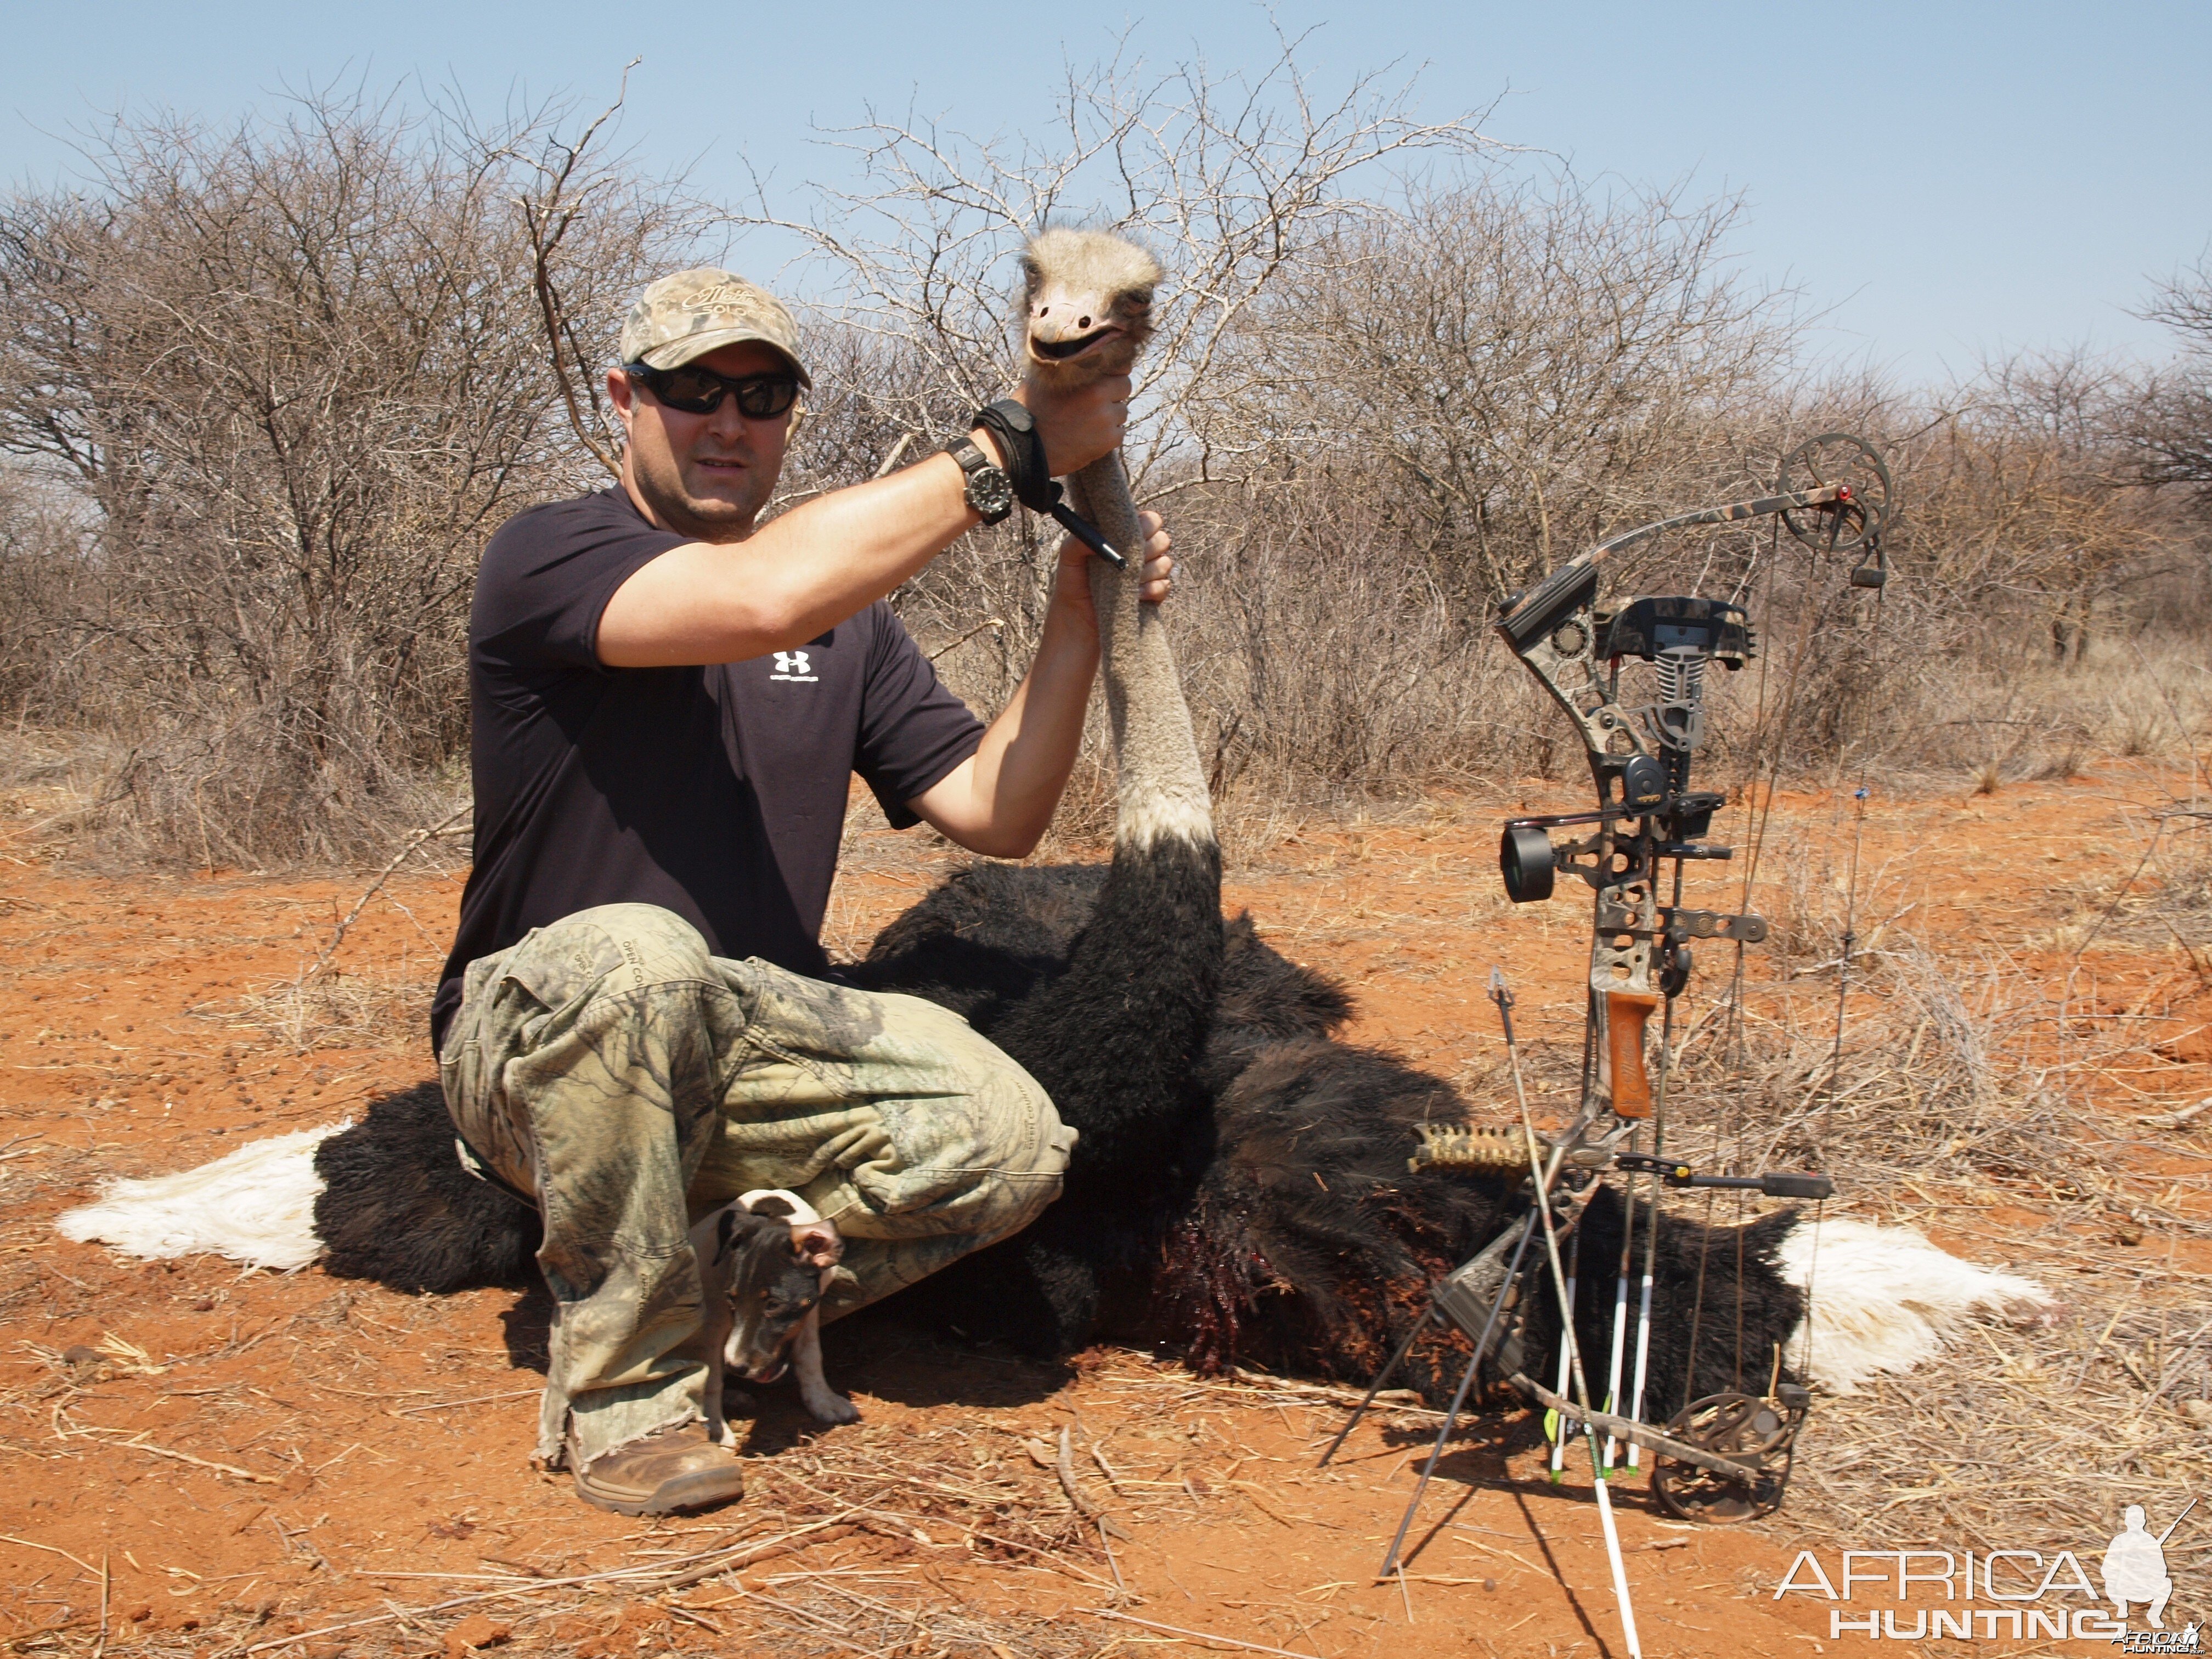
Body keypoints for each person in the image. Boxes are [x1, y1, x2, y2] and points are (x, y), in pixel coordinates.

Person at [432, 268, 1173, 1515]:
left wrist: (1074, 620)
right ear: (623, 400)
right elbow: (759, 596)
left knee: (1012, 1135)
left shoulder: (851, 630)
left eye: (763, 395)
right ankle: (632, 1406)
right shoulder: (551, 557)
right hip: (540, 1044)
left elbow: (998, 813)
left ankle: (720, 1280)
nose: (730, 422)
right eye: (692, 391)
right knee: (635, 954)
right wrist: (1011, 447)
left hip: (736, 1041)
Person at [2102, 1504, 2175, 1629]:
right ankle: (2122, 1606)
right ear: (2126, 1522)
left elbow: (2162, 1569)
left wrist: (2146, 1571)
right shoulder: (2119, 1541)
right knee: (2110, 1581)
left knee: (2167, 1583)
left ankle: (2154, 1615)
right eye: (2132, 1520)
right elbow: (2107, 1568)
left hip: (2145, 1589)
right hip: (2122, 1588)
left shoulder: (2150, 1541)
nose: (2135, 1523)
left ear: (2143, 1522)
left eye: (2138, 1519)